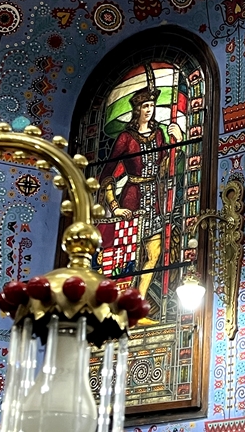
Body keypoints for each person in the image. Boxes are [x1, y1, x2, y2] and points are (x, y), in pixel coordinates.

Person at [100, 72, 183, 320]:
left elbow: (165, 165)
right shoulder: (126, 138)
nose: (149, 110)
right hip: (132, 199)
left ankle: (138, 306)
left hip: (155, 198)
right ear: (137, 110)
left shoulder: (159, 134)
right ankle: (118, 308)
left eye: (152, 106)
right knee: (131, 256)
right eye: (145, 106)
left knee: (154, 254)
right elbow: (109, 174)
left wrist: (176, 142)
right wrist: (114, 206)